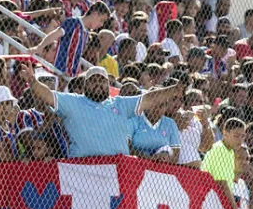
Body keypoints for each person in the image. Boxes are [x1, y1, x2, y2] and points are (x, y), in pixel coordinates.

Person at [20, 64, 183, 158]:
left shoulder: (120, 104)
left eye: (102, 81)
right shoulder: (73, 101)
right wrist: (33, 82)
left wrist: (173, 90)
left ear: (108, 86)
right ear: (85, 86)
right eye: (93, 81)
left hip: (116, 171)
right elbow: (48, 95)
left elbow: (150, 98)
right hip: (83, 171)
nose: (98, 84)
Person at [30, 0, 110, 77]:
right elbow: (54, 34)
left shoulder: (86, 33)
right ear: (95, 14)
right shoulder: (73, 22)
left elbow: (76, 56)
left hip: (71, 76)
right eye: (101, 20)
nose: (101, 25)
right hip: (60, 72)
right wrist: (39, 47)